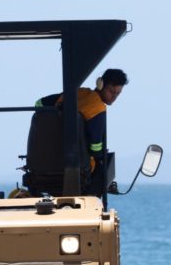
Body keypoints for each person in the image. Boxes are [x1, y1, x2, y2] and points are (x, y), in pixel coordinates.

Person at [51, 68, 128, 196]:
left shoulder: (77, 93)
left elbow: (40, 102)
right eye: (111, 91)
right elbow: (96, 147)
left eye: (118, 94)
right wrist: (100, 157)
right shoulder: (98, 108)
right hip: (77, 168)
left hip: (48, 158)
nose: (114, 97)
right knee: (105, 163)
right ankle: (90, 201)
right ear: (100, 84)